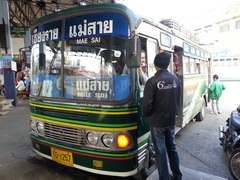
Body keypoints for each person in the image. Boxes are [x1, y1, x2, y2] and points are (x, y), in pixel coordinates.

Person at [142, 51, 182, 180]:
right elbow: (177, 100)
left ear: (155, 65)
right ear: (166, 64)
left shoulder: (152, 82)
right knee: (172, 149)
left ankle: (164, 178)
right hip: (170, 121)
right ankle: (177, 176)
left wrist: (148, 114)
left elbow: (147, 106)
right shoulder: (176, 79)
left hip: (157, 123)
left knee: (160, 153)